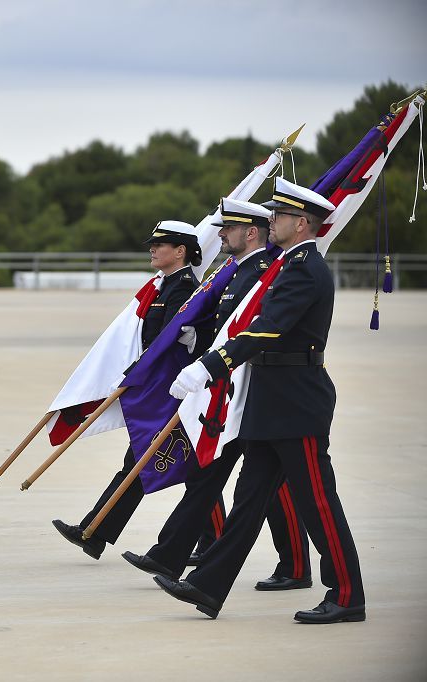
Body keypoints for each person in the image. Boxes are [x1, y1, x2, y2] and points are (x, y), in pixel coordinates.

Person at [156, 177, 365, 623]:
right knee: (250, 499)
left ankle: (347, 595)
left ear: (303, 223)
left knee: (317, 502)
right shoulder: (285, 266)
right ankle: (208, 585)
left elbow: (268, 328)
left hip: (295, 401)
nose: (272, 221)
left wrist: (210, 366)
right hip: (270, 400)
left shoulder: (305, 268)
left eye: (281, 216)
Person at [121, 199, 311, 589]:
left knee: (270, 482)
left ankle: (294, 566)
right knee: (213, 473)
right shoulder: (234, 273)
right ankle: (171, 555)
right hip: (226, 389)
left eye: (229, 228)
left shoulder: (262, 273)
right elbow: (222, 328)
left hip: (252, 388)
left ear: (252, 233)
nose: (221, 234)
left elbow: (253, 331)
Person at [52, 221, 212, 560]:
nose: (152, 250)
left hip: (172, 390)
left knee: (187, 465)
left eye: (160, 245)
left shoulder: (182, 289)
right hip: (158, 387)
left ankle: (211, 543)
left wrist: (135, 375)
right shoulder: (163, 286)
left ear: (180, 251)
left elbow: (167, 344)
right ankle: (94, 531)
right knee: (146, 460)